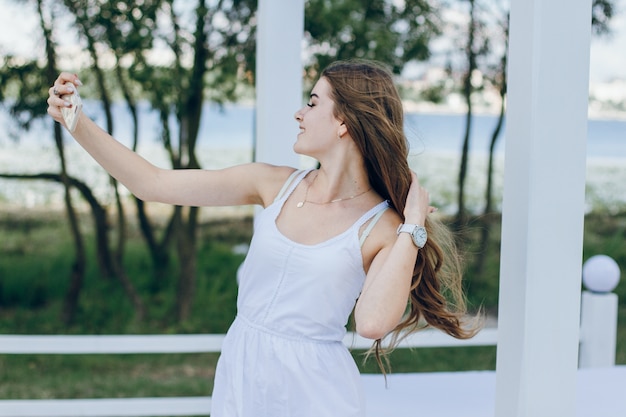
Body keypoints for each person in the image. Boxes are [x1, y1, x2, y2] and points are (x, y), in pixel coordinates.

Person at [47, 59, 478, 417]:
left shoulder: (384, 228)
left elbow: (371, 324)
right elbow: (154, 183)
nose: (299, 113)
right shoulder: (272, 184)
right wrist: (76, 121)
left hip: (315, 391)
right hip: (242, 370)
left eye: (312, 103)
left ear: (345, 121)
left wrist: (414, 225)